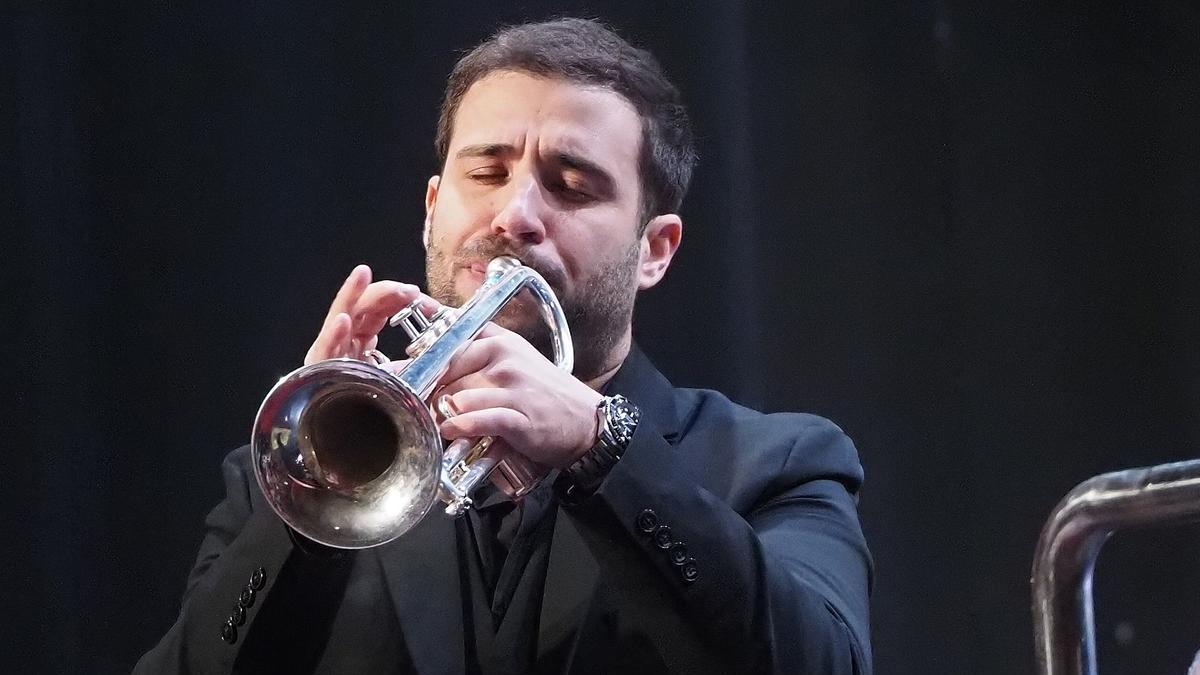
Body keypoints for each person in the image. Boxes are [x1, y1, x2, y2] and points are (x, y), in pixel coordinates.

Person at [136, 18, 872, 674]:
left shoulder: (779, 464)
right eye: (486, 172)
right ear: (432, 212)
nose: (515, 213)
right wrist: (314, 497)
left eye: (573, 184)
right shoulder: (289, 480)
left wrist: (601, 448)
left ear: (656, 250)